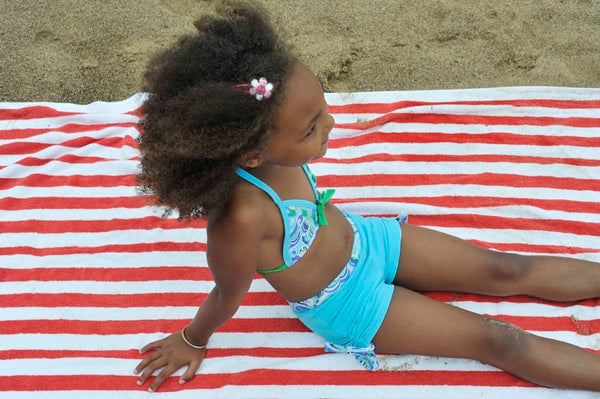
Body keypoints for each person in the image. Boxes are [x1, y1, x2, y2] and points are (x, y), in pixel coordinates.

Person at [133, 1, 600, 393]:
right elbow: (225, 294)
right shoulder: (241, 217)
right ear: (254, 150)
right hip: (347, 304)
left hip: (368, 241)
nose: (331, 125)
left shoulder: (271, 142)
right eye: (312, 127)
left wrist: (309, 131)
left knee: (508, 268)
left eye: (324, 108)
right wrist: (193, 339)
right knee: (499, 341)